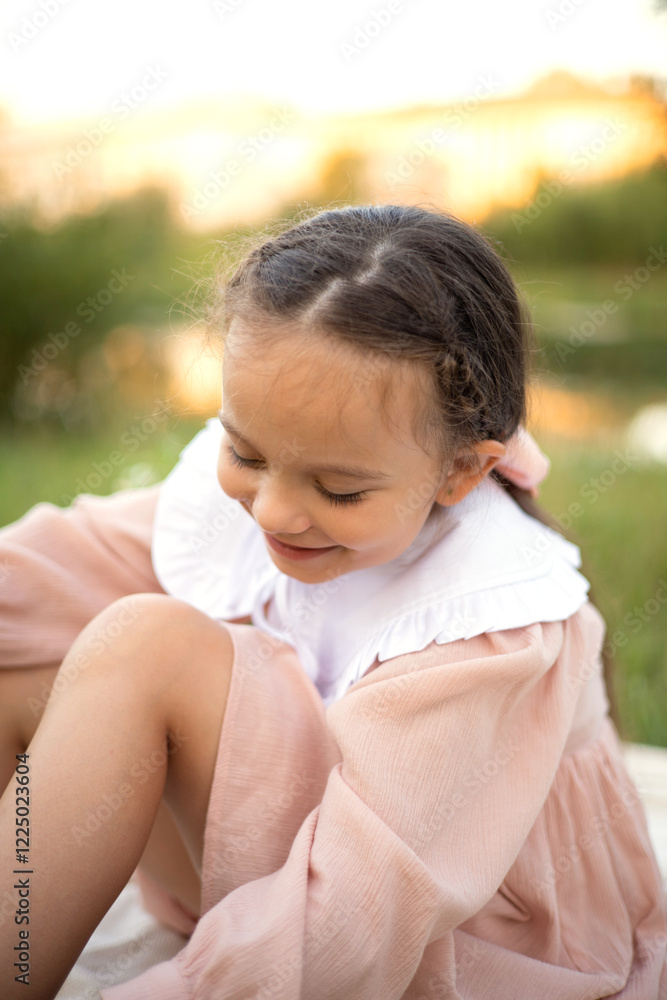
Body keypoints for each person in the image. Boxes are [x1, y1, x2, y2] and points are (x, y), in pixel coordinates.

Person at [0, 205, 665, 999]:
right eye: (244, 452)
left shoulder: (489, 616)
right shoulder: (285, 466)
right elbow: (42, 575)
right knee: (23, 660)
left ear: (459, 472)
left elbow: (350, 925)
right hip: (300, 855)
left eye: (339, 489)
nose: (276, 511)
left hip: (444, 932)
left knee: (148, 645)